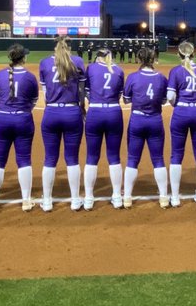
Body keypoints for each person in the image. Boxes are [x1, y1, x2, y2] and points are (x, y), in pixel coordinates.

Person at [0, 44, 38, 213]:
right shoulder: (30, 77)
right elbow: (33, 102)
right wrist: (21, 112)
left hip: (2, 119)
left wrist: (4, 112)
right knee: (24, 159)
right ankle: (26, 201)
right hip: (23, 119)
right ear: (23, 58)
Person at [38, 37, 87, 212]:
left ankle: (47, 201)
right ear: (70, 47)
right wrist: (81, 109)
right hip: (72, 112)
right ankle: (75, 200)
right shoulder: (78, 61)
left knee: (50, 158)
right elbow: (81, 92)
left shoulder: (44, 63)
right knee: (72, 158)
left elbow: (45, 93)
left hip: (51, 112)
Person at [122, 46, 169, 207]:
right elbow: (164, 100)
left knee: (132, 159)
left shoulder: (133, 77)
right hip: (155, 120)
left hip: (137, 120)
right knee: (158, 159)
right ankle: (163, 197)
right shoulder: (162, 78)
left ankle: (127, 197)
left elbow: (126, 99)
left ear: (139, 59)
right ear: (153, 59)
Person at [167, 41, 196, 206]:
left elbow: (170, 97)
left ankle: (175, 197)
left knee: (176, 154)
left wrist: (178, 105)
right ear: (193, 54)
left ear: (178, 54)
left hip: (181, 112)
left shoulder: (176, 71)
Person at [83, 46, 126, 209]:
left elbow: (86, 91)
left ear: (98, 57)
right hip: (114, 111)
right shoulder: (119, 70)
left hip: (95, 111)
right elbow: (120, 93)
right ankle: (116, 196)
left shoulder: (91, 68)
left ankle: (88, 198)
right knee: (114, 156)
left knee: (92, 156)